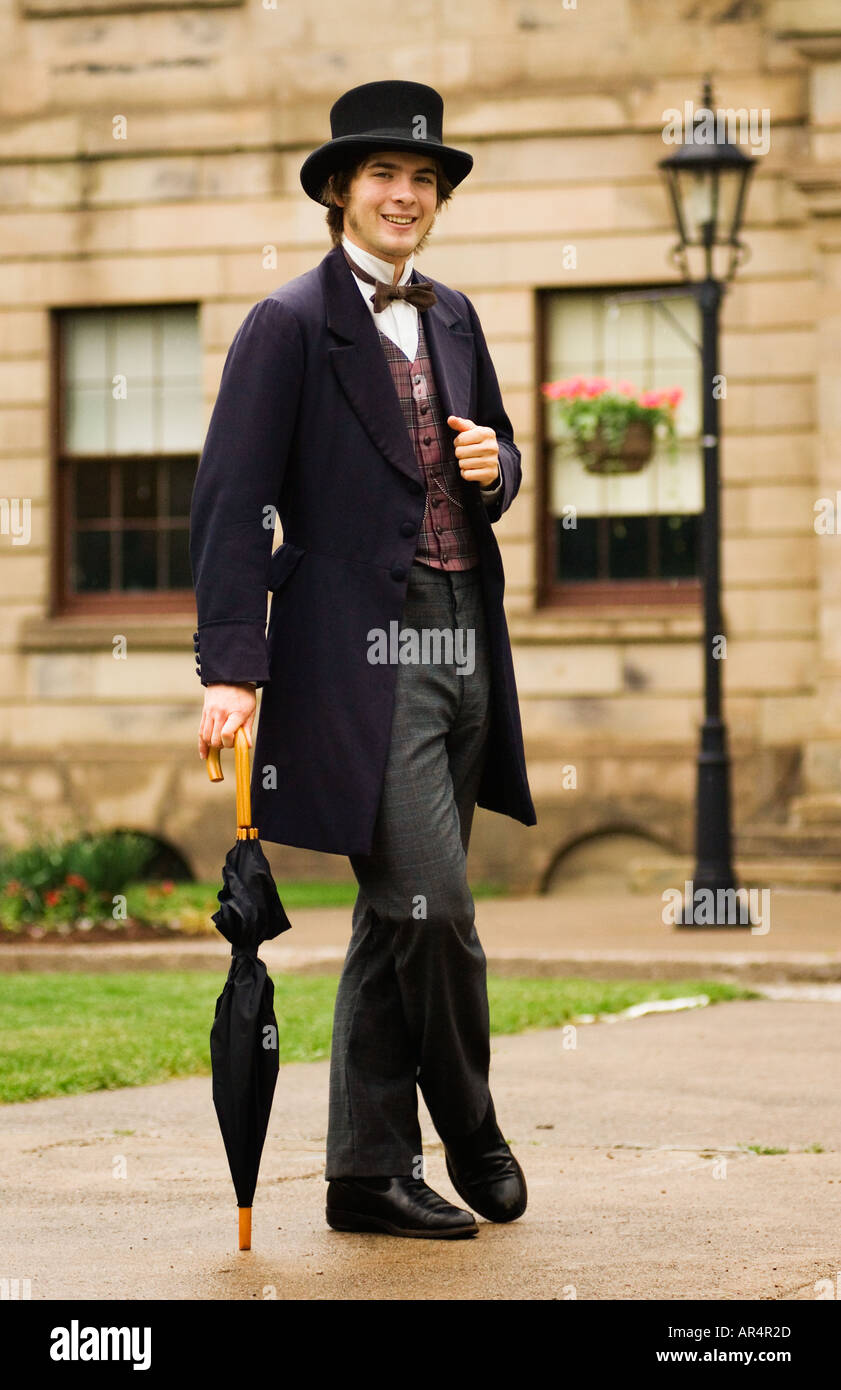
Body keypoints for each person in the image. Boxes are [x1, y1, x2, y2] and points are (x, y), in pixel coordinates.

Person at [190, 80, 537, 1240]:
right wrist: (231, 667)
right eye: (385, 174)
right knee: (432, 904)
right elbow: (232, 500)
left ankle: (364, 1174)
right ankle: (471, 1122)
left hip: (464, 632)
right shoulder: (286, 323)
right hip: (355, 653)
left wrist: (499, 467)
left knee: (394, 916)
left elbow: (493, 459)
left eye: (424, 179)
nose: (405, 195)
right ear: (340, 188)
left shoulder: (456, 315)